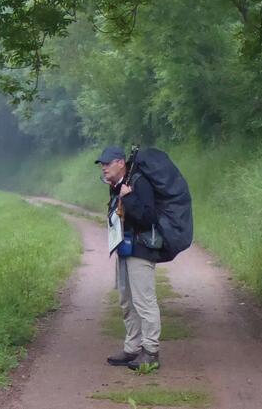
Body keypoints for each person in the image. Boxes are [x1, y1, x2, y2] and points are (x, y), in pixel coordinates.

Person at [95, 146, 161, 371]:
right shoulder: (116, 186)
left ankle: (151, 351)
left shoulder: (139, 182)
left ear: (120, 162)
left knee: (144, 302)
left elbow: (148, 217)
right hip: (124, 248)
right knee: (126, 301)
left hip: (141, 249)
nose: (103, 168)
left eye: (107, 163)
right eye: (102, 164)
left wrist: (128, 197)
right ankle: (132, 348)